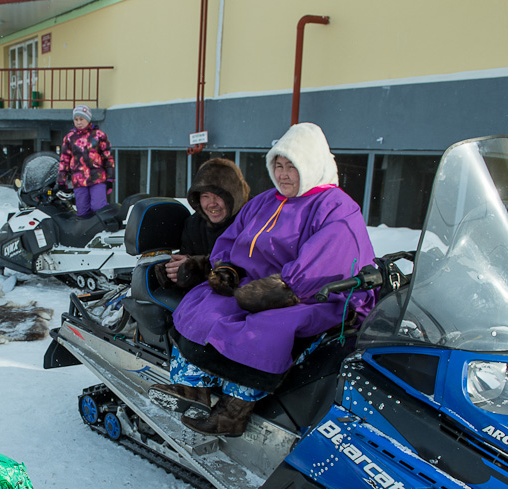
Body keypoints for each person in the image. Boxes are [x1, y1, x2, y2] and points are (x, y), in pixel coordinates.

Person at [150, 123, 376, 436]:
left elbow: (327, 261)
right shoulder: (265, 201)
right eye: (278, 166)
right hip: (250, 286)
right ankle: (194, 388)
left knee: (265, 330)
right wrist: (226, 268)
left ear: (311, 166)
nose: (283, 175)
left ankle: (233, 412)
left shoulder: (334, 207)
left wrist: (278, 290)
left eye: (292, 167)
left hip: (309, 295)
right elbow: (230, 239)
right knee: (204, 305)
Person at [154, 158, 250, 291]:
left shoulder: (250, 222)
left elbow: (248, 267)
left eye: (218, 195)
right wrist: (174, 269)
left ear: (234, 195)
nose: (212, 203)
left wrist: (199, 268)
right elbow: (188, 258)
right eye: (206, 196)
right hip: (202, 293)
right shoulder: (194, 224)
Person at [57, 105, 114, 219]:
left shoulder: (99, 136)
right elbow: (64, 160)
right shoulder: (69, 138)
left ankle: (103, 228)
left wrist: (110, 178)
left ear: (88, 119)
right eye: (76, 119)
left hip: (97, 178)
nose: (78, 122)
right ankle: (86, 234)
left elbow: (108, 158)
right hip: (79, 180)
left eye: (81, 119)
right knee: (82, 211)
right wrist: (61, 181)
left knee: (98, 206)